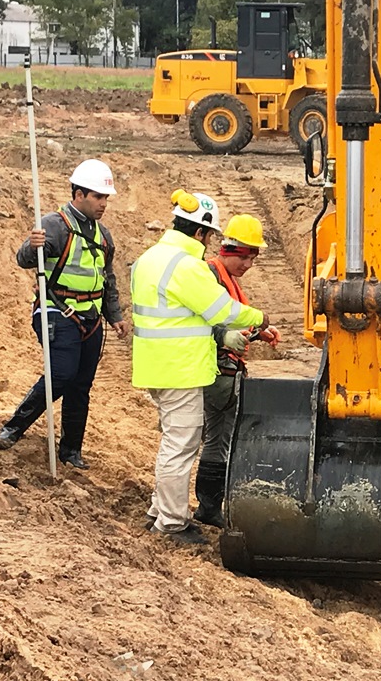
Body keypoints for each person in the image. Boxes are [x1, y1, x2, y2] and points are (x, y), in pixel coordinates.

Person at [131, 190, 268, 545]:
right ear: (200, 233)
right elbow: (223, 311)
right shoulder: (186, 265)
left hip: (155, 365)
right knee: (181, 446)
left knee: (172, 443)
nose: (210, 244)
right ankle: (173, 522)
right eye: (210, 236)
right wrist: (260, 318)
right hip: (181, 369)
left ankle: (158, 510)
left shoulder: (150, 258)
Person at [0, 159, 131, 469]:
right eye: (98, 197)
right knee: (62, 375)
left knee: (80, 386)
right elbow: (24, 259)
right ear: (79, 194)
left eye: (106, 198)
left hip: (91, 319)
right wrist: (32, 246)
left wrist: (115, 315)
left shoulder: (104, 236)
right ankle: (13, 428)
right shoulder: (54, 225)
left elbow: (107, 279)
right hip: (57, 311)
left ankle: (71, 450)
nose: (103, 204)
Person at [194, 214, 280, 528]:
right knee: (216, 438)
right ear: (230, 250)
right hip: (216, 370)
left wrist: (258, 332)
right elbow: (205, 323)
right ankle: (208, 506)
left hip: (225, 368)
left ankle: (210, 503)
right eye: (245, 257)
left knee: (220, 437)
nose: (248, 265)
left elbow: (232, 322)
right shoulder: (210, 275)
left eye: (253, 259)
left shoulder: (225, 278)